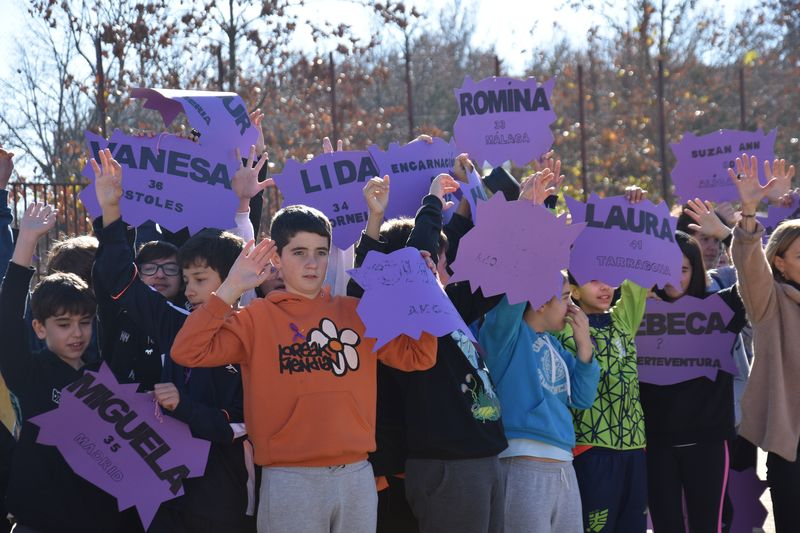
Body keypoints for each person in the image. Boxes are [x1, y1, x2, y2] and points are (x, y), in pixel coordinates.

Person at [170, 192, 438, 532]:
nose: (312, 263)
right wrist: (231, 287)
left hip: (356, 475)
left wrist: (426, 294)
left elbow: (419, 357)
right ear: (277, 259)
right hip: (289, 478)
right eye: (299, 252)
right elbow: (187, 352)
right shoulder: (256, 318)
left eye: (321, 253)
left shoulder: (358, 312)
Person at [90, 149, 256, 532]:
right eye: (189, 279)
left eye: (202, 280)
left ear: (235, 277)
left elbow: (241, 422)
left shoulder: (256, 329)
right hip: (160, 480)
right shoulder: (174, 322)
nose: (192, 289)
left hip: (222, 489)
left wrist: (184, 406)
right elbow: (119, 278)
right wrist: (111, 210)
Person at [348, 167, 508, 533]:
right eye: (439, 261)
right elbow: (413, 265)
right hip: (448, 465)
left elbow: (499, 276)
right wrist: (432, 201)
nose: (445, 271)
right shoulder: (390, 315)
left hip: (484, 458)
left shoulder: (446, 305)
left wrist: (529, 208)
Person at [0, 202, 131, 533]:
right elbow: (6, 320)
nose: (76, 333)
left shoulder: (107, 372)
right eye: (63, 324)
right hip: (39, 522)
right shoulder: (29, 373)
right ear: (40, 328)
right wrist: (26, 240)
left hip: (103, 521)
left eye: (84, 322)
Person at [639, 231, 745, 533]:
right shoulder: (633, 309)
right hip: (655, 444)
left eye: (683, 269)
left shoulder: (722, 307)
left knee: (707, 526)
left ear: (695, 270)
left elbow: (756, 280)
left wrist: (730, 231)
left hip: (708, 443)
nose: (674, 276)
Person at [557, 187, 650, 533]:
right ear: (574, 288)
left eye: (608, 277)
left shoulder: (623, 319)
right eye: (592, 278)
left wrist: (634, 217)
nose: (605, 286)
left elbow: (638, 270)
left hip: (635, 447)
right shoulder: (562, 325)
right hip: (590, 448)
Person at [479, 268, 600, 533]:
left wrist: (584, 347)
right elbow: (514, 296)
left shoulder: (555, 346)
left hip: (564, 468)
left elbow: (582, 397)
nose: (572, 307)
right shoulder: (506, 336)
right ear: (541, 302)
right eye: (566, 298)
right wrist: (537, 258)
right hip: (521, 465)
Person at [729, 154, 800, 532]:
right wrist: (750, 211)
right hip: (791, 447)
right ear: (781, 263)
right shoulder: (770, 302)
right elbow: (749, 265)